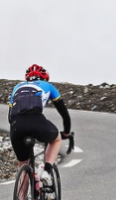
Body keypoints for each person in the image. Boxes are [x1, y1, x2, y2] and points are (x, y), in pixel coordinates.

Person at [8, 64, 72, 193]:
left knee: (23, 163)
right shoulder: (49, 87)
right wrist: (66, 132)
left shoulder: (17, 87)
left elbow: (10, 116)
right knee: (56, 139)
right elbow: (64, 114)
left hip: (16, 125)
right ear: (45, 78)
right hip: (36, 120)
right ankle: (47, 171)